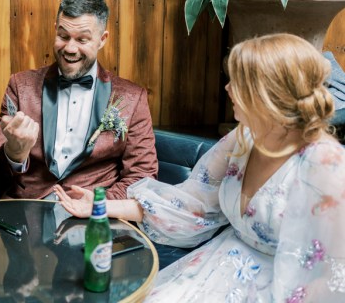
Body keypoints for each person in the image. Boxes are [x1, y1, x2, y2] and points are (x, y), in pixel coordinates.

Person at [54, 33, 345, 302]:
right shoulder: (244, 137)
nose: (228, 88)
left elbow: (331, 276)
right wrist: (101, 207)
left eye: (239, 82)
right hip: (217, 266)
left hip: (282, 290)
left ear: (269, 94)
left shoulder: (326, 166)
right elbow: (190, 204)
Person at [0, 0, 158, 200]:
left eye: (82, 40)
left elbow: (141, 178)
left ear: (102, 39)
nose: (70, 48)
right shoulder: (21, 86)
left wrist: (97, 203)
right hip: (26, 211)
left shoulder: (132, 98)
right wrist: (14, 153)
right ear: (55, 30)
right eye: (63, 36)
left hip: (93, 217)